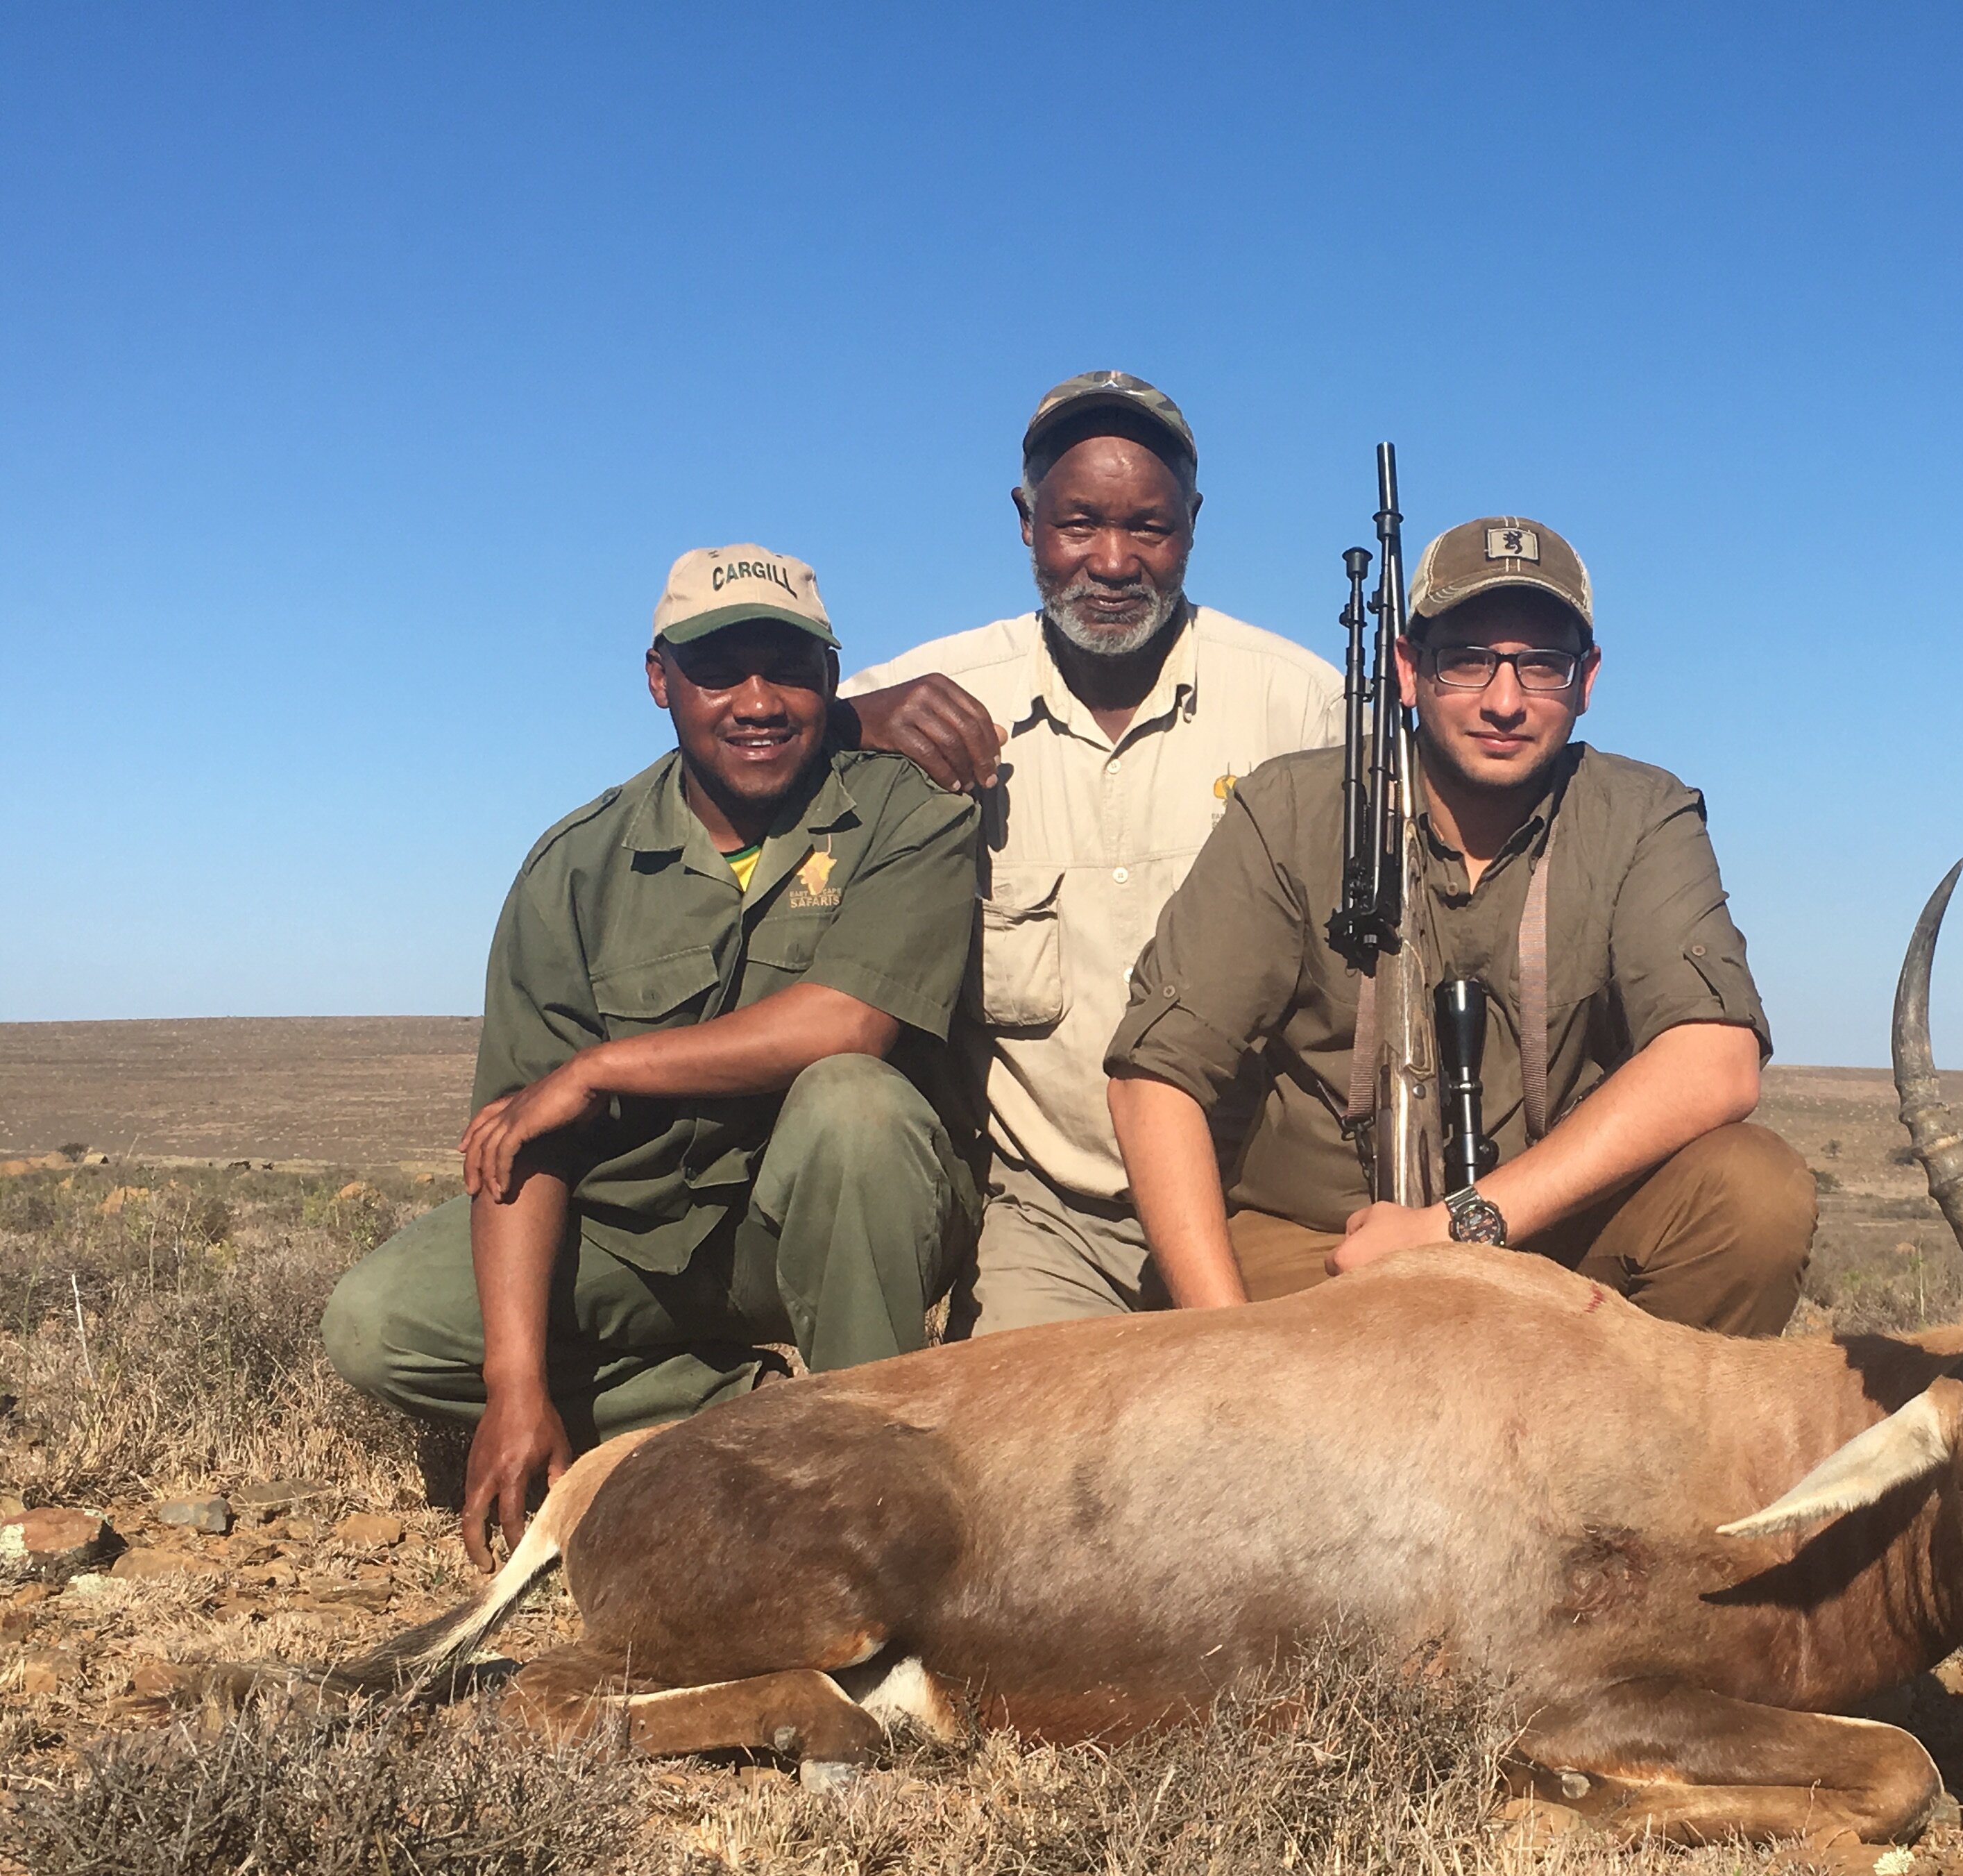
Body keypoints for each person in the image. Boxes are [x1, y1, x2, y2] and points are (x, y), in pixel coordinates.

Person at [321, 546, 982, 1566]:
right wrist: (512, 1384)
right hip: (637, 1232)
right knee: (377, 1324)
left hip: (832, 1218)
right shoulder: (576, 864)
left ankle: (862, 1467)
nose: (758, 701)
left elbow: (844, 1026)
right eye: (721, 670)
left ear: (832, 679)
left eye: (790, 668)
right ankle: (743, 1405)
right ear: (660, 679)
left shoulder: (906, 813)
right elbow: (517, 1137)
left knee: (856, 1105)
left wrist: (596, 1070)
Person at [1105, 515, 1815, 1335]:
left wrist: (1458, 1227)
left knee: (1754, 1196)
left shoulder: (1642, 813)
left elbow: (1718, 1062)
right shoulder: (1289, 809)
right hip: (1322, 1244)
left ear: (1587, 681)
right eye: (1467, 660)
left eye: (1540, 666)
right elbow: (1152, 1080)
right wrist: (1223, 1349)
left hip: (1549, 1236)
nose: (1504, 703)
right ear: (1409, 670)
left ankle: (1628, 1455)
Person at [833, 371, 1338, 1333]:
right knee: (1023, 1463)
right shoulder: (926, 693)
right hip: (1047, 1218)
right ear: (1026, 522)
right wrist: (850, 724)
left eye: (1148, 528)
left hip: (1250, 1203)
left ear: (1193, 523)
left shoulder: (1299, 705)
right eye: (1077, 525)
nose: (1113, 562)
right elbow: (742, 747)